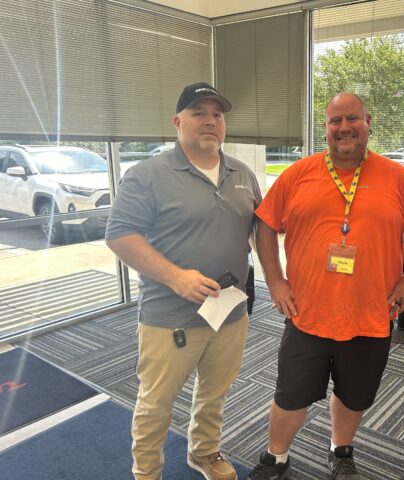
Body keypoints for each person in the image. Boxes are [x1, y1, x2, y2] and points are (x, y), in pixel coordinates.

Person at [248, 92, 404, 480]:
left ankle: (341, 448)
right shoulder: (299, 174)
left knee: (353, 395)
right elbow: (264, 224)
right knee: (290, 395)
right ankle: (276, 457)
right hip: (306, 314)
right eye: (335, 121)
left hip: (371, 314)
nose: (344, 128)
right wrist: (276, 280)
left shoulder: (397, 177)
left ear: (369, 122)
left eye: (353, 119)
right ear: (326, 128)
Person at [105, 82, 261, 480]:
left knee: (215, 392)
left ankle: (205, 453)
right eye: (198, 113)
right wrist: (176, 277)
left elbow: (260, 230)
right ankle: (147, 473)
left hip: (229, 310)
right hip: (169, 315)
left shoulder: (242, 173)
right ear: (177, 122)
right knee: (156, 402)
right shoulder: (148, 175)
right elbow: (120, 235)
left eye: (218, 115)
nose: (210, 122)